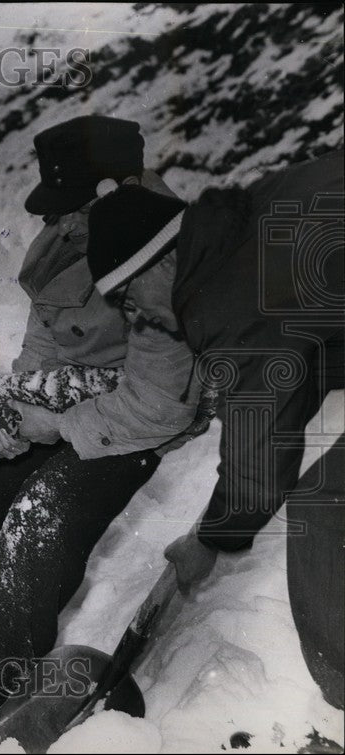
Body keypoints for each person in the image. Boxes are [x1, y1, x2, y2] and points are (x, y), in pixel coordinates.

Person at [84, 148, 344, 707]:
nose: (135, 320)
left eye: (127, 300)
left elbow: (260, 465)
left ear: (157, 262)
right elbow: (297, 372)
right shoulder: (244, 224)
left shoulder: (227, 296)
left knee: (327, 508)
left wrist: (214, 537)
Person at [0, 115, 204, 710]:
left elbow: (160, 404)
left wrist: (56, 426)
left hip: (135, 422)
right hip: (70, 401)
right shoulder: (72, 229)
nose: (60, 223)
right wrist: (19, 407)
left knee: (39, 526)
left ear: (113, 190)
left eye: (70, 207)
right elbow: (46, 331)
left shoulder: (166, 256)